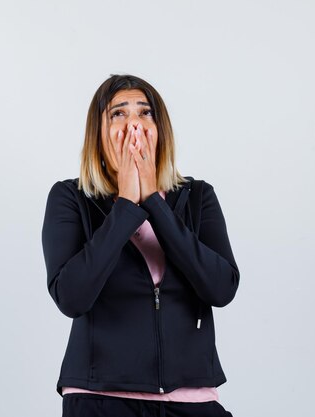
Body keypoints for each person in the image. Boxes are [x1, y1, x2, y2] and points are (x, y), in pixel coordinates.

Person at [41, 74, 240, 417]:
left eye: (145, 113)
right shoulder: (71, 198)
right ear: (98, 134)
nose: (133, 123)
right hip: (99, 399)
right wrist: (126, 207)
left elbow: (221, 289)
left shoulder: (198, 197)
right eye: (118, 113)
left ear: (160, 129)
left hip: (192, 400)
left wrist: (155, 204)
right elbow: (71, 297)